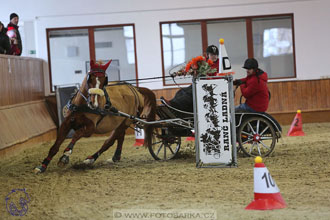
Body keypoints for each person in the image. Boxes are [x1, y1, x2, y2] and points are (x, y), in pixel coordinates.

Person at [164, 45, 220, 112]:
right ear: (208, 55)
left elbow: (219, 76)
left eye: (216, 55)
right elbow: (189, 68)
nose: (214, 57)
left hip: (211, 87)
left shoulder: (220, 63)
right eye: (212, 55)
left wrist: (208, 78)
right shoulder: (202, 61)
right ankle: (172, 103)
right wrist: (177, 73)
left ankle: (174, 105)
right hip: (199, 84)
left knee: (189, 94)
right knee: (181, 91)